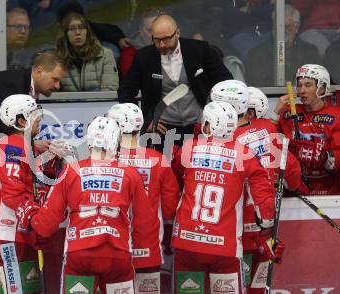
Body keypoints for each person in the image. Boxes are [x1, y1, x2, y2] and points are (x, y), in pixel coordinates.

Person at [15, 116, 160, 294]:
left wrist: (31, 216)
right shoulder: (131, 174)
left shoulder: (70, 171)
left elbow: (46, 226)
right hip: (118, 256)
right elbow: (145, 224)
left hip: (80, 254)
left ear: (89, 143)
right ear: (116, 142)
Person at [171, 100, 275, 294]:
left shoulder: (188, 149)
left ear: (208, 124)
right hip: (224, 246)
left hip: (187, 242)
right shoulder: (244, 154)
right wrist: (267, 224)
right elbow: (264, 195)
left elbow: (174, 177)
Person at [211, 81, 304, 293]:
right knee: (259, 288)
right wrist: (296, 188)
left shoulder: (224, 141)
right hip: (266, 228)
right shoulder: (269, 128)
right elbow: (292, 170)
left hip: (236, 231)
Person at [118, 14, 232, 151]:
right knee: (164, 170)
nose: (161, 45)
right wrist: (144, 121)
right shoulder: (143, 57)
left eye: (166, 39)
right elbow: (125, 91)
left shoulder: (200, 50)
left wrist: (214, 112)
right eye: (157, 40)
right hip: (162, 131)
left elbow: (226, 83)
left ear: (177, 33)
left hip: (199, 127)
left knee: (194, 170)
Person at [0, 94, 50, 293]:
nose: (40, 118)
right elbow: (12, 192)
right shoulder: (10, 147)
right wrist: (38, 217)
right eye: (35, 114)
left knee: (30, 290)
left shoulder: (22, 146)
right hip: (6, 233)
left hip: (18, 234)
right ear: (21, 121)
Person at [107, 103, 180, 294]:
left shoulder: (103, 161)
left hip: (112, 246)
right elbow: (170, 210)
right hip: (148, 246)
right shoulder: (158, 159)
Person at [271, 64, 340, 196]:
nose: (302, 90)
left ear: (323, 88)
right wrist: (275, 113)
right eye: (299, 85)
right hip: (294, 190)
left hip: (331, 194)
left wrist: (325, 157)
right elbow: (268, 143)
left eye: (308, 85)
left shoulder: (338, 116)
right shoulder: (287, 112)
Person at [246, 4, 322, 86]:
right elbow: (256, 85)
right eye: (278, 27)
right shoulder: (256, 54)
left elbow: (318, 82)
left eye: (286, 27)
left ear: (296, 27)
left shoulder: (311, 52)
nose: (281, 31)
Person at [55, 12, 119, 92]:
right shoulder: (58, 59)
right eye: (72, 29)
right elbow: (53, 91)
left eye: (81, 28)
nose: (78, 33)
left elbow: (110, 88)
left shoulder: (105, 54)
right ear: (65, 34)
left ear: (87, 32)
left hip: (99, 103)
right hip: (69, 104)